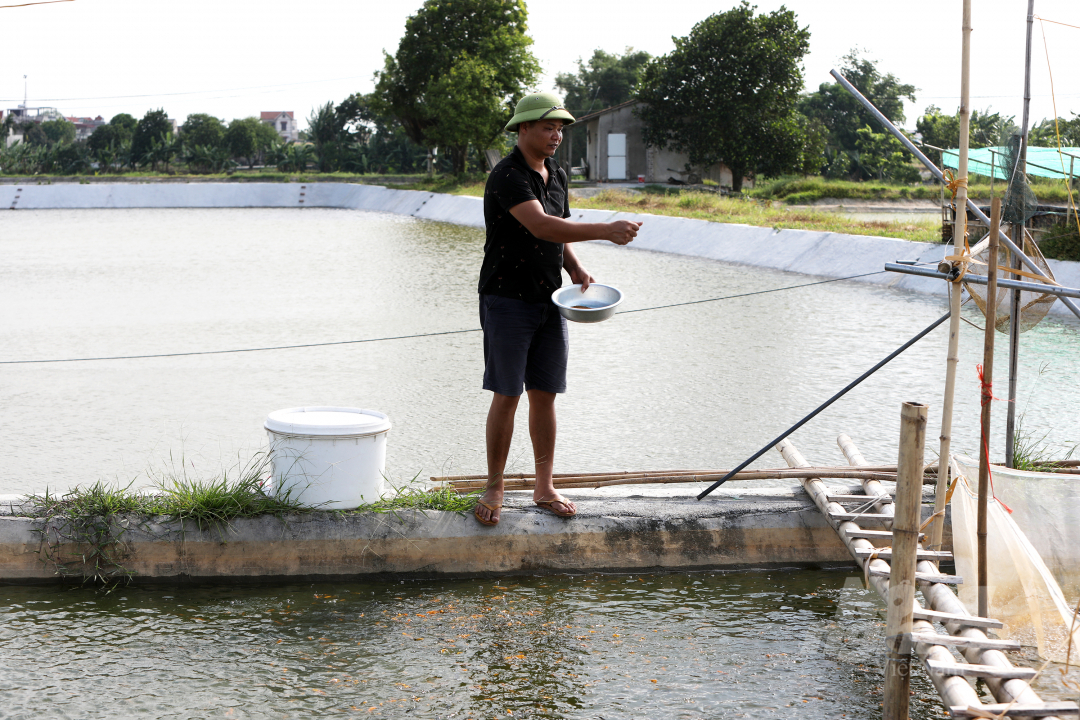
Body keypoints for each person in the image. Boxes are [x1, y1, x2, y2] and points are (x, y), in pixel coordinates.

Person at [474, 91, 642, 526]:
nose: (556, 136)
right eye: (547, 127)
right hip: (506, 298)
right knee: (507, 394)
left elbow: (559, 233)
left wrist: (576, 268)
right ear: (523, 129)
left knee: (545, 395)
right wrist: (606, 229)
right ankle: (494, 486)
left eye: (560, 129)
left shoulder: (557, 174)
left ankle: (544, 485)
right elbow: (542, 224)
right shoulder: (507, 176)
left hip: (550, 299)